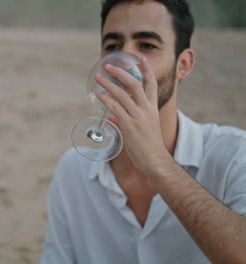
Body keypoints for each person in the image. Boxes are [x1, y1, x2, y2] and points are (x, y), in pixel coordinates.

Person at [41, 0, 246, 263]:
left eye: (147, 46)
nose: (125, 63)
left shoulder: (234, 156)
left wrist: (157, 162)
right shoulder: (73, 170)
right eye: (113, 46)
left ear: (183, 65)